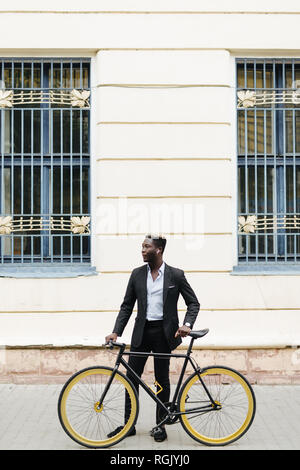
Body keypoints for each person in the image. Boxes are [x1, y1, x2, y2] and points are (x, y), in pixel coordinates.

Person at [105, 234, 200, 442]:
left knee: (161, 380)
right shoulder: (137, 274)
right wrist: (116, 331)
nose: (142, 250)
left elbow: (194, 303)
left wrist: (187, 324)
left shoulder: (176, 275)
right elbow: (127, 305)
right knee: (131, 379)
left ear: (158, 250)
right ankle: (128, 425)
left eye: (146, 247)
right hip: (142, 332)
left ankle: (160, 425)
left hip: (164, 334)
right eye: (142, 246)